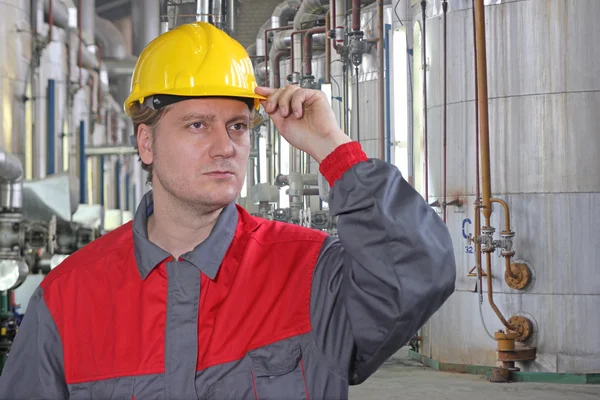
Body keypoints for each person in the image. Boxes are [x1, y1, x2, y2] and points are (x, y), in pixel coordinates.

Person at [0, 22, 455, 400]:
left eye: (238, 126)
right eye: (197, 125)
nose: (225, 147)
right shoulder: (68, 298)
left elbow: (419, 272)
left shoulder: (312, 273)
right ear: (146, 143)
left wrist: (333, 149)